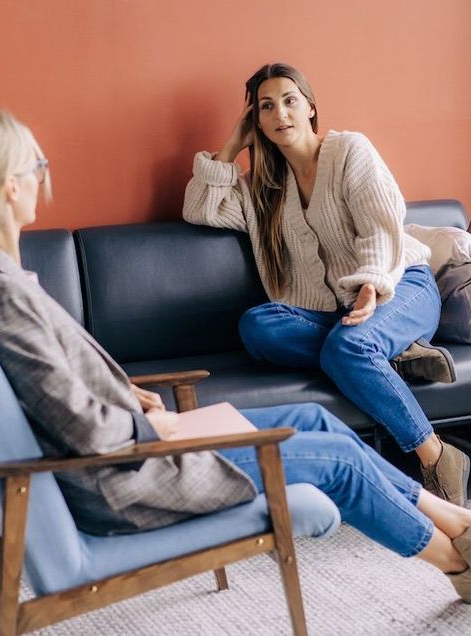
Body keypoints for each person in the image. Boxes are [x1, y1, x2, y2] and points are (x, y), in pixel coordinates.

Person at [0, 109, 471, 602]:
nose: (43, 175)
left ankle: (458, 520)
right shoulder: (1, 299)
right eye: (36, 164)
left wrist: (129, 395)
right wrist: (156, 424)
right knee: (339, 462)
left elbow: (59, 388)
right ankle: (458, 564)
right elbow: (88, 432)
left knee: (313, 419)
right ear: (9, 187)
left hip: (131, 449)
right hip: (128, 477)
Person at [183, 62, 469, 508]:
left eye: (290, 100)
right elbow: (200, 208)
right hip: (335, 314)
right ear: (256, 120)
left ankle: (437, 457)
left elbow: (380, 227)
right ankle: (394, 357)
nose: (281, 113)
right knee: (258, 325)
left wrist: (372, 285)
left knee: (347, 347)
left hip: (400, 285)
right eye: (266, 106)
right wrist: (232, 145)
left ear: (311, 107)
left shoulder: (350, 151)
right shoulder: (263, 188)